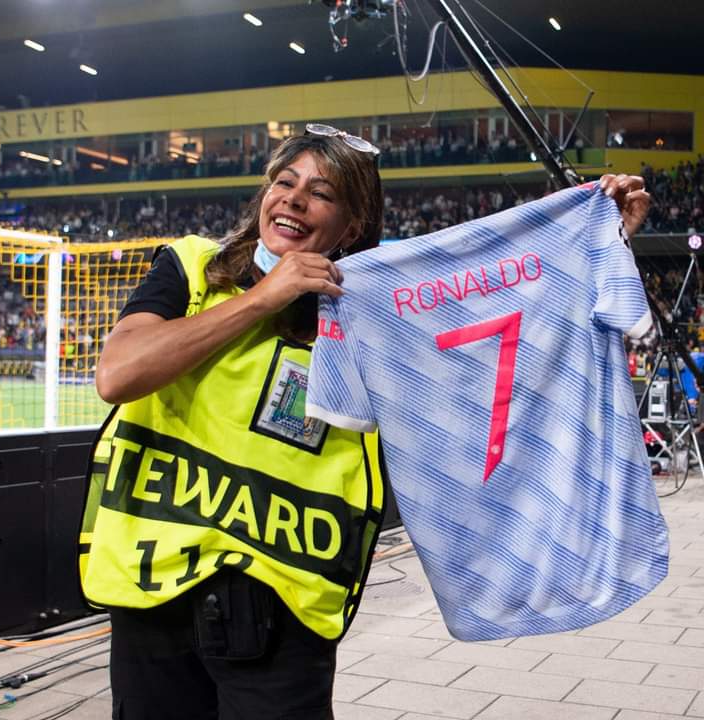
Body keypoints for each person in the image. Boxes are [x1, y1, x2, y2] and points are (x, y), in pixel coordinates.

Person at [79, 122, 650, 720]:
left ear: (351, 226)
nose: (295, 199)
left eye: (321, 192)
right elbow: (119, 374)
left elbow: (500, 367)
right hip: (152, 585)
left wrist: (590, 246)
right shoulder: (193, 265)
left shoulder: (372, 307)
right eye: (284, 182)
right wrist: (265, 296)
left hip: (284, 605)